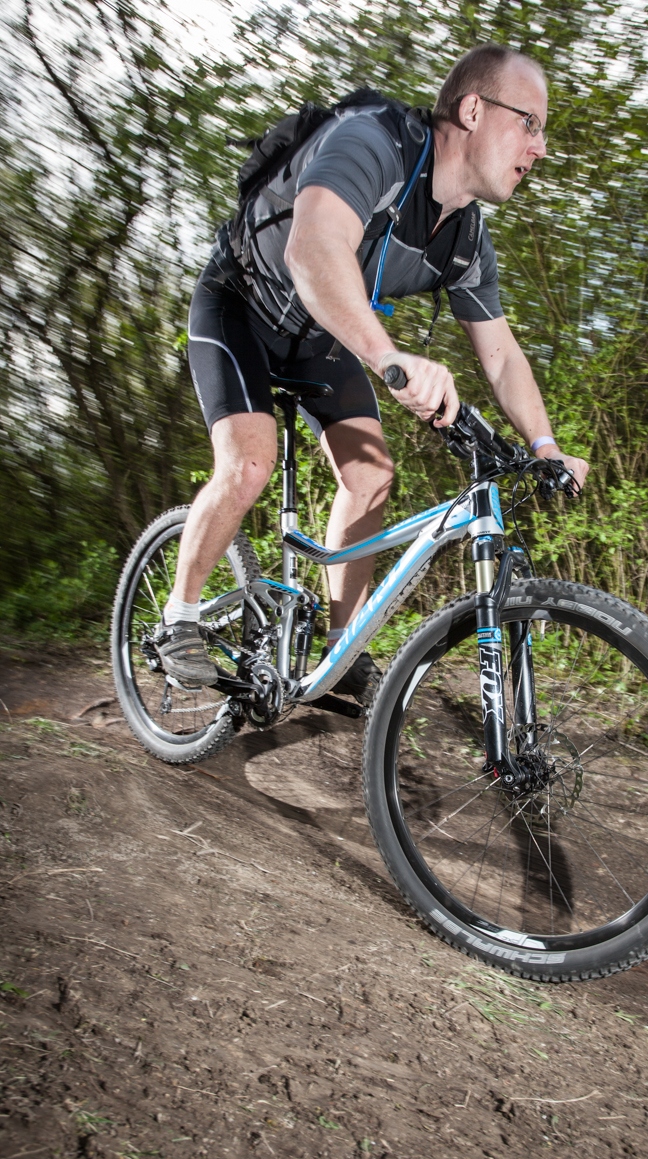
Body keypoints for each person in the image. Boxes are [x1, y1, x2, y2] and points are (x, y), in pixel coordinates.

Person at [157, 43, 590, 700]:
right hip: (241, 304)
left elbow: (501, 354)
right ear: (474, 110)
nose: (542, 147)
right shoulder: (374, 143)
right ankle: (179, 618)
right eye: (530, 122)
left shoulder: (466, 239)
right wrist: (389, 357)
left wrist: (545, 446)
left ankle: (339, 651)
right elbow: (313, 249)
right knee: (248, 465)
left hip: (320, 339)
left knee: (372, 478)